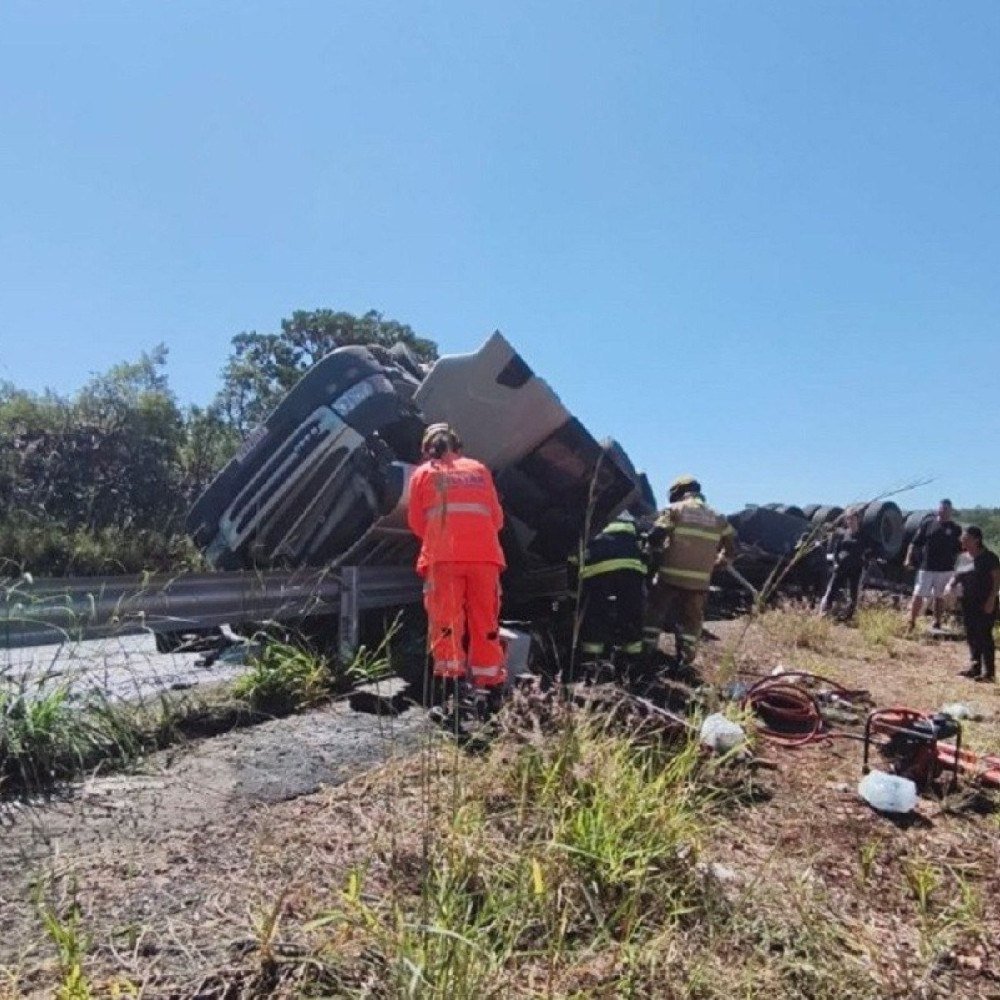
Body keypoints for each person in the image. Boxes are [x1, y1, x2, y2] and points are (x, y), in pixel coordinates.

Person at [407, 422, 507, 714]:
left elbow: (416, 523)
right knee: (485, 625)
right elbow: (497, 520)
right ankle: (490, 693)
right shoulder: (480, 470)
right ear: (458, 445)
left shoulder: (424, 474)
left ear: (428, 448)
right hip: (485, 559)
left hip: (443, 559)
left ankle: (452, 696)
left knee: (447, 626)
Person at [644, 475, 735, 666]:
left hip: (669, 576)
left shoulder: (675, 510)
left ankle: (647, 652)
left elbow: (656, 536)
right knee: (691, 622)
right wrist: (716, 564)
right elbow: (733, 547)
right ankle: (685, 661)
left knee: (654, 613)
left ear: (678, 492)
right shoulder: (718, 517)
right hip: (699, 582)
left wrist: (653, 561)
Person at [573, 511, 647, 677]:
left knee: (595, 613)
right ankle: (631, 664)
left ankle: (591, 662)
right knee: (630, 614)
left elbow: (573, 550)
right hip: (630, 567)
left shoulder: (586, 510)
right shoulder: (628, 515)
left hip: (597, 568)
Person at [950, 526, 999, 683]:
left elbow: (996, 580)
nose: (961, 540)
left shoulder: (989, 557)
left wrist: (992, 599)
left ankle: (989, 672)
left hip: (985, 602)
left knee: (984, 634)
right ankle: (975, 666)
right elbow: (957, 576)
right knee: (971, 634)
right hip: (968, 601)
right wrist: (949, 586)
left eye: (965, 537)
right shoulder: (962, 558)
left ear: (976, 539)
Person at [905, 499, 962, 631]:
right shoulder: (928, 524)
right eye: (941, 509)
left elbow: (960, 550)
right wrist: (908, 559)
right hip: (927, 567)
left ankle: (937, 622)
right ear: (938, 509)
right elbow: (915, 543)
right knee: (918, 594)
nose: (943, 512)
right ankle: (911, 622)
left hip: (946, 569)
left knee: (939, 597)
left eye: (946, 510)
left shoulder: (955, 529)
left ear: (950, 511)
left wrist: (959, 568)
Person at [819, 509, 874, 620]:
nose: (850, 521)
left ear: (858, 520)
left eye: (852, 518)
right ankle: (824, 613)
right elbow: (836, 549)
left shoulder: (864, 536)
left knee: (853, 593)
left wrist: (865, 561)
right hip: (841, 566)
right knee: (832, 590)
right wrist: (835, 563)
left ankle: (848, 617)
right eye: (848, 519)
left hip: (856, 568)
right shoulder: (843, 534)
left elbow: (871, 551)